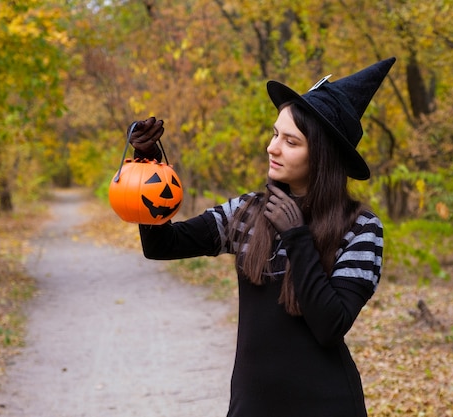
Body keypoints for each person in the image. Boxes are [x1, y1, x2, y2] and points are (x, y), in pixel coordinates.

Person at [128, 57, 396, 417]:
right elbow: (162, 246)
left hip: (328, 405)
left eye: (291, 141)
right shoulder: (247, 212)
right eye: (275, 134)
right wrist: (148, 164)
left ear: (323, 156)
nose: (273, 148)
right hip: (253, 406)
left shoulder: (361, 228)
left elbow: (330, 326)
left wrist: (299, 238)